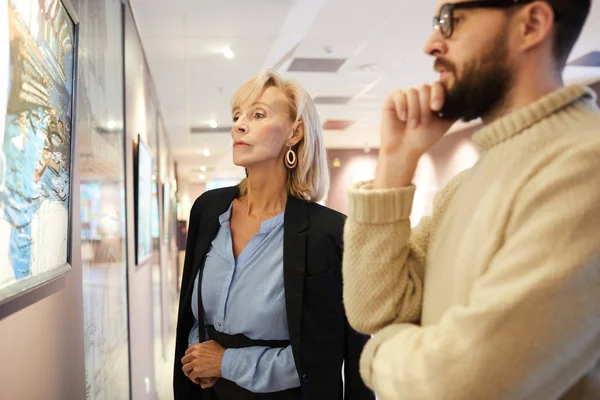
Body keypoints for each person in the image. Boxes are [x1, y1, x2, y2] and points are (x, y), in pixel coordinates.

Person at [342, 0, 600, 399]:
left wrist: (378, 353)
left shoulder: (585, 165)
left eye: (451, 21)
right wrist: (396, 162)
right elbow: (374, 309)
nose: (431, 44)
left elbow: (457, 385)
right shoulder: (466, 185)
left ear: (531, 24)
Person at [173, 70, 374, 400]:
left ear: (294, 133)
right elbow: (194, 314)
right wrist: (200, 356)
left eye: (258, 114)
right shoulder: (208, 210)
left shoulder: (329, 233)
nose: (239, 124)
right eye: (237, 115)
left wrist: (228, 362)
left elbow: (325, 358)